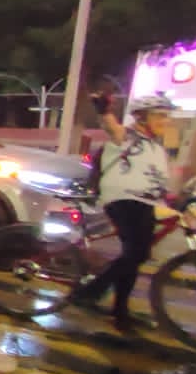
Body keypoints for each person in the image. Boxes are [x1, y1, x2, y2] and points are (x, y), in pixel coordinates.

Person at [75, 93, 176, 331]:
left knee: (134, 258)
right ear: (141, 117)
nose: (166, 121)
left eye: (167, 116)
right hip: (123, 198)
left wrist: (175, 198)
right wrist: (104, 110)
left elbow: (159, 183)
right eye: (160, 115)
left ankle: (120, 312)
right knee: (137, 252)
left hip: (144, 202)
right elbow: (110, 127)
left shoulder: (156, 148)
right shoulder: (127, 136)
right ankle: (91, 292)